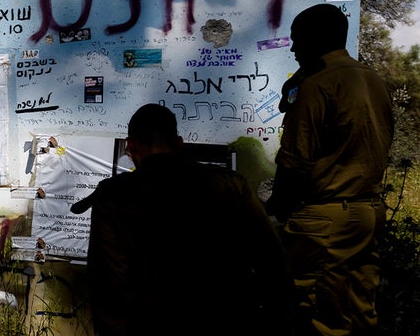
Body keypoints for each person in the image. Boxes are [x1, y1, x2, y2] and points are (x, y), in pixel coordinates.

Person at [79, 103, 293, 335]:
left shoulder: (113, 195)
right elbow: (272, 260)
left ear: (130, 147)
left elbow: (109, 281)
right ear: (179, 143)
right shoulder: (231, 184)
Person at [267, 3, 394, 335]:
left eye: (297, 40)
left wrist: (275, 212)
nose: (293, 48)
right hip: (368, 213)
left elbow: (295, 159)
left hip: (323, 220)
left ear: (315, 39)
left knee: (319, 317)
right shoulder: (373, 79)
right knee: (359, 311)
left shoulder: (317, 85)